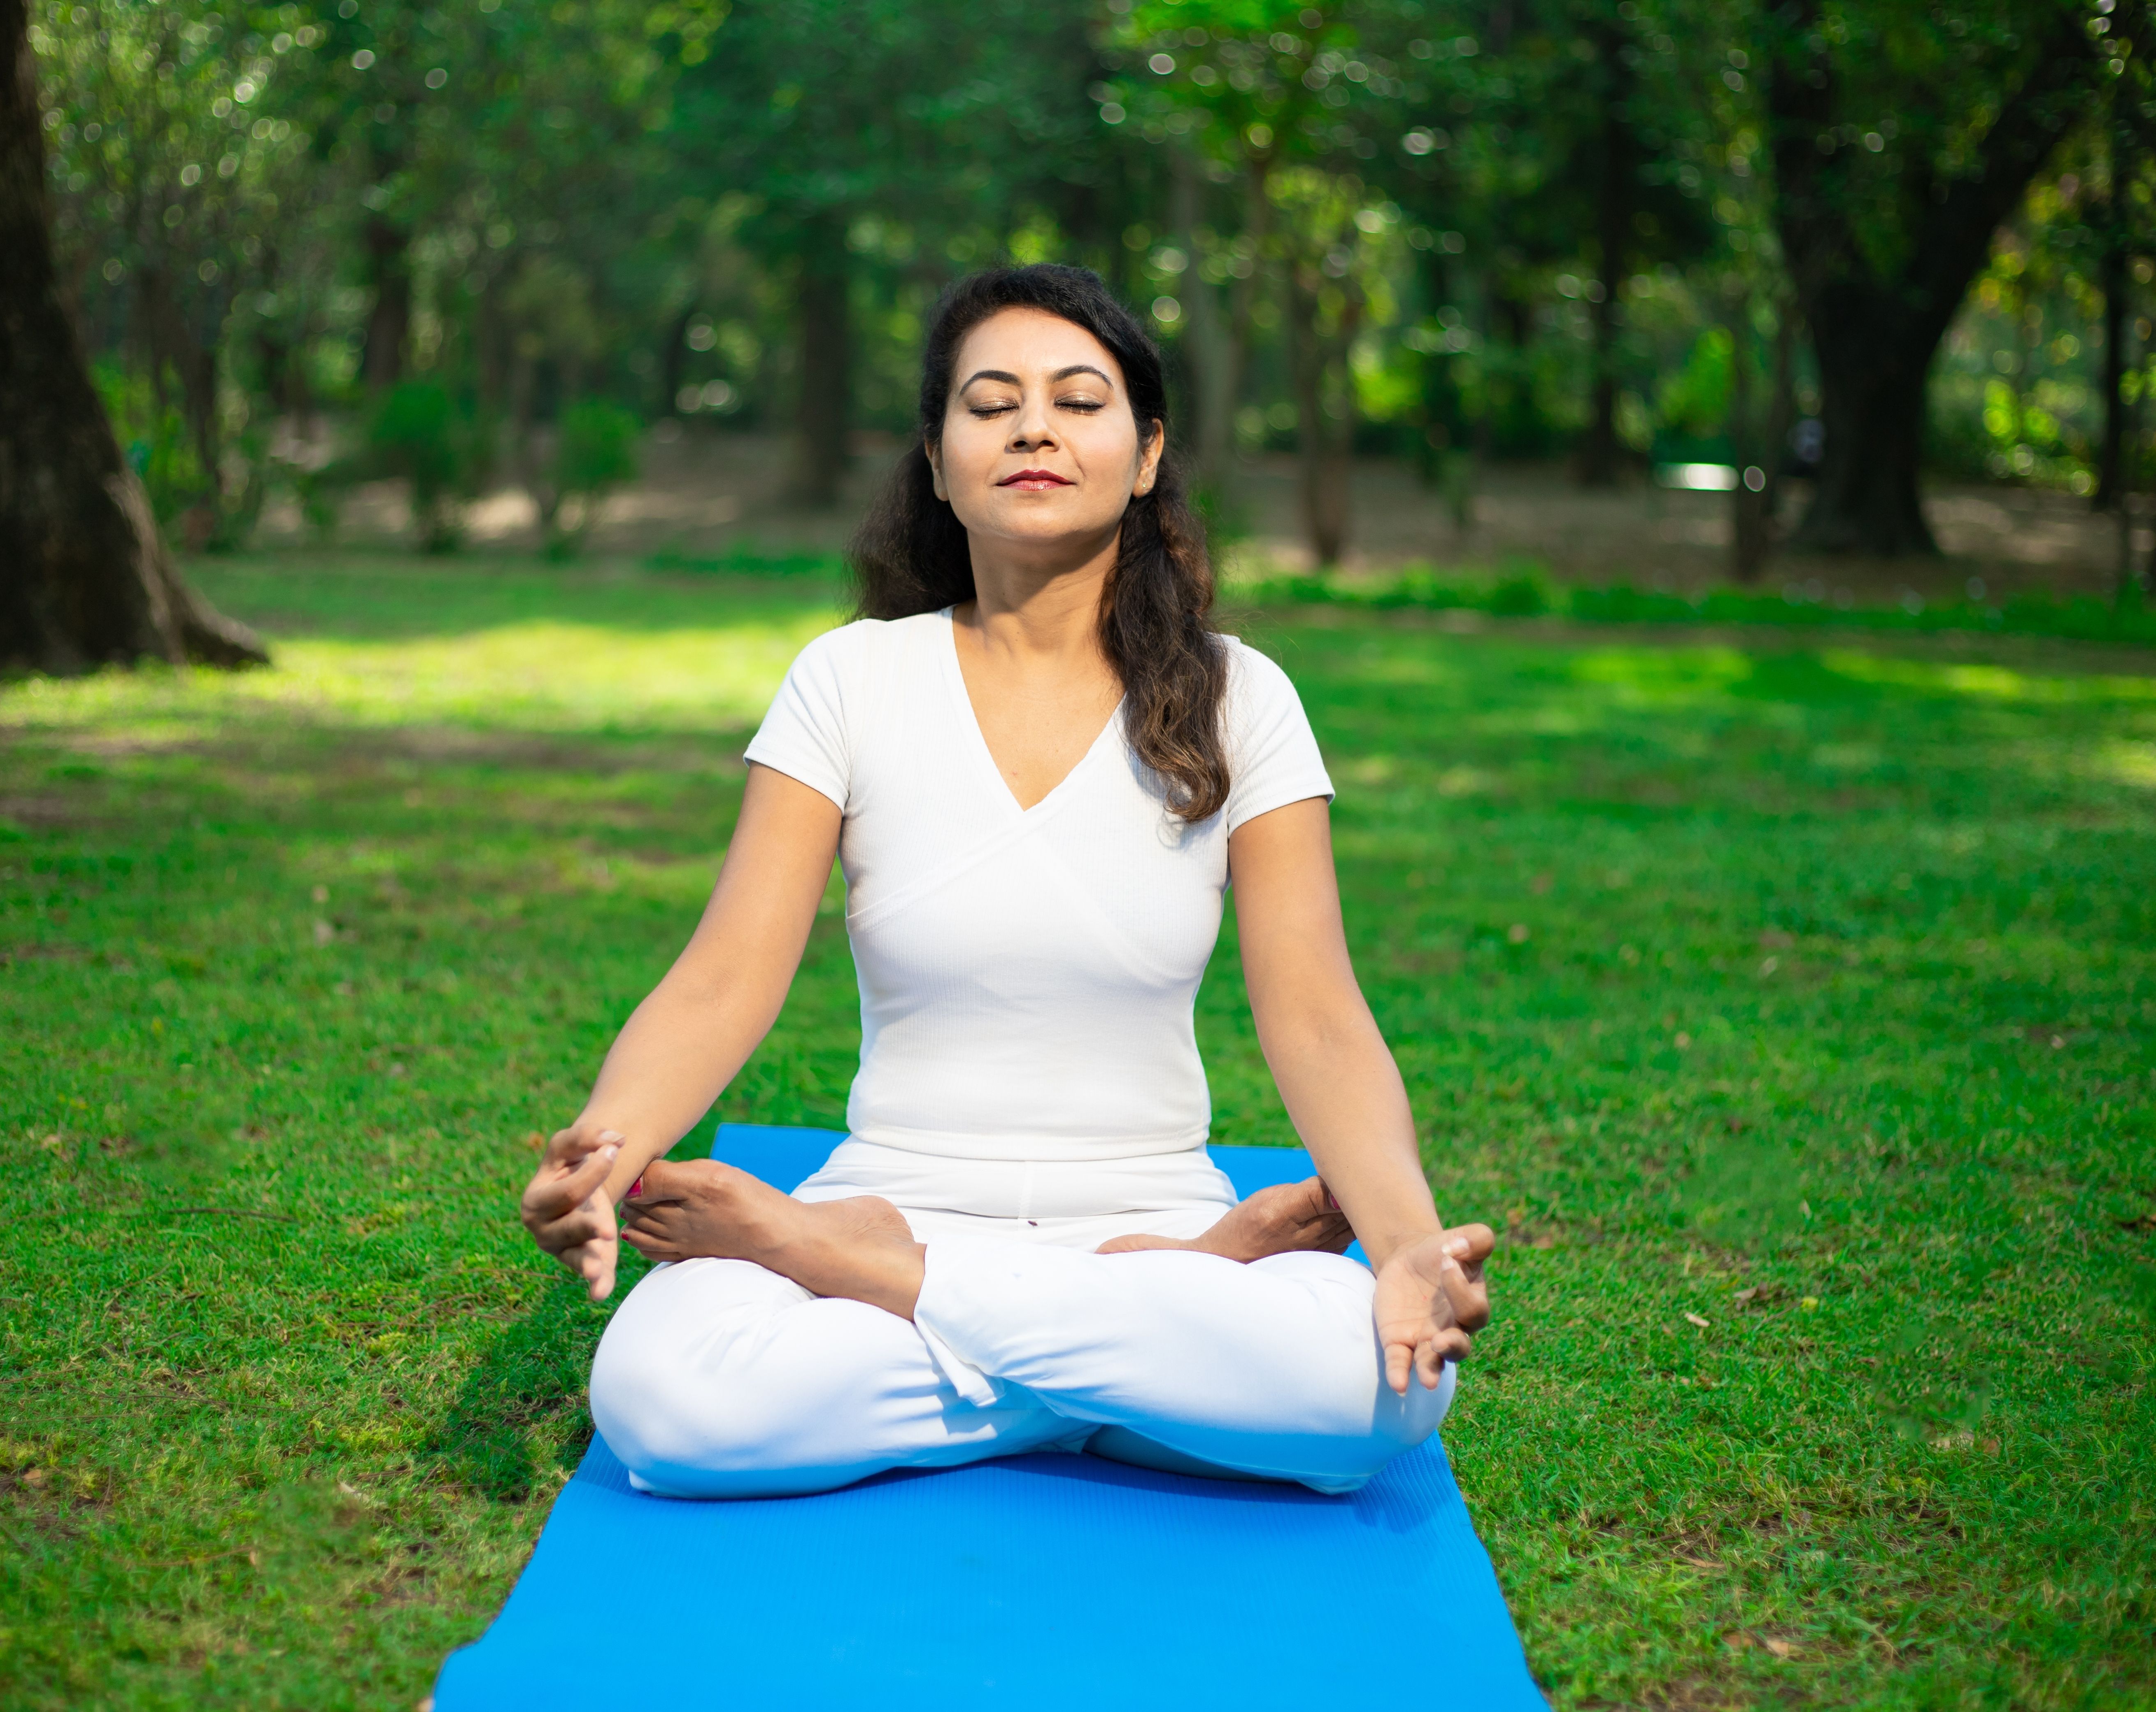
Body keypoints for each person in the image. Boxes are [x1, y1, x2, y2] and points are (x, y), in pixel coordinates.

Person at [519, 263, 1494, 1500]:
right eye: (993, 403)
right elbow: (722, 980)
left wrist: (1406, 1243)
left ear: (1146, 457)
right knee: (667, 1399)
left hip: (1073, 1213)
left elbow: (1316, 1013)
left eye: (1078, 400)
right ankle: (1147, 1355)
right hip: (913, 1194)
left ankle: (905, 1288)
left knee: (1391, 1384)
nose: (1034, 425)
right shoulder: (851, 681)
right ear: (937, 462)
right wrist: (606, 1153)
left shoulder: (1245, 696)